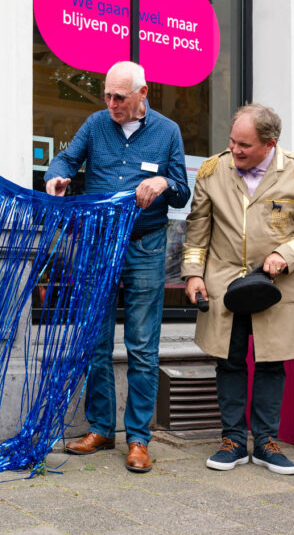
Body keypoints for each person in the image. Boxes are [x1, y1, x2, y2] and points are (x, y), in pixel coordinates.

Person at [45, 60, 190, 473]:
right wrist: (56, 178)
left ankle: (139, 439)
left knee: (142, 347)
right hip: (96, 245)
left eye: (120, 97)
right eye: (107, 95)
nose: (111, 104)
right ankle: (101, 428)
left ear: (143, 94)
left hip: (144, 246)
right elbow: (66, 161)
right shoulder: (95, 124)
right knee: (94, 341)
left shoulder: (168, 132)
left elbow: (180, 192)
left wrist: (163, 182)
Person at [183, 104, 294, 475]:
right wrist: (193, 274)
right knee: (228, 361)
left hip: (274, 287)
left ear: (270, 144)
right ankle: (232, 440)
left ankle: (266, 443)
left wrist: (286, 253)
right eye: (232, 141)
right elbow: (198, 226)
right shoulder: (214, 170)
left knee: (270, 363)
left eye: (244, 145)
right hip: (222, 283)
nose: (235, 150)